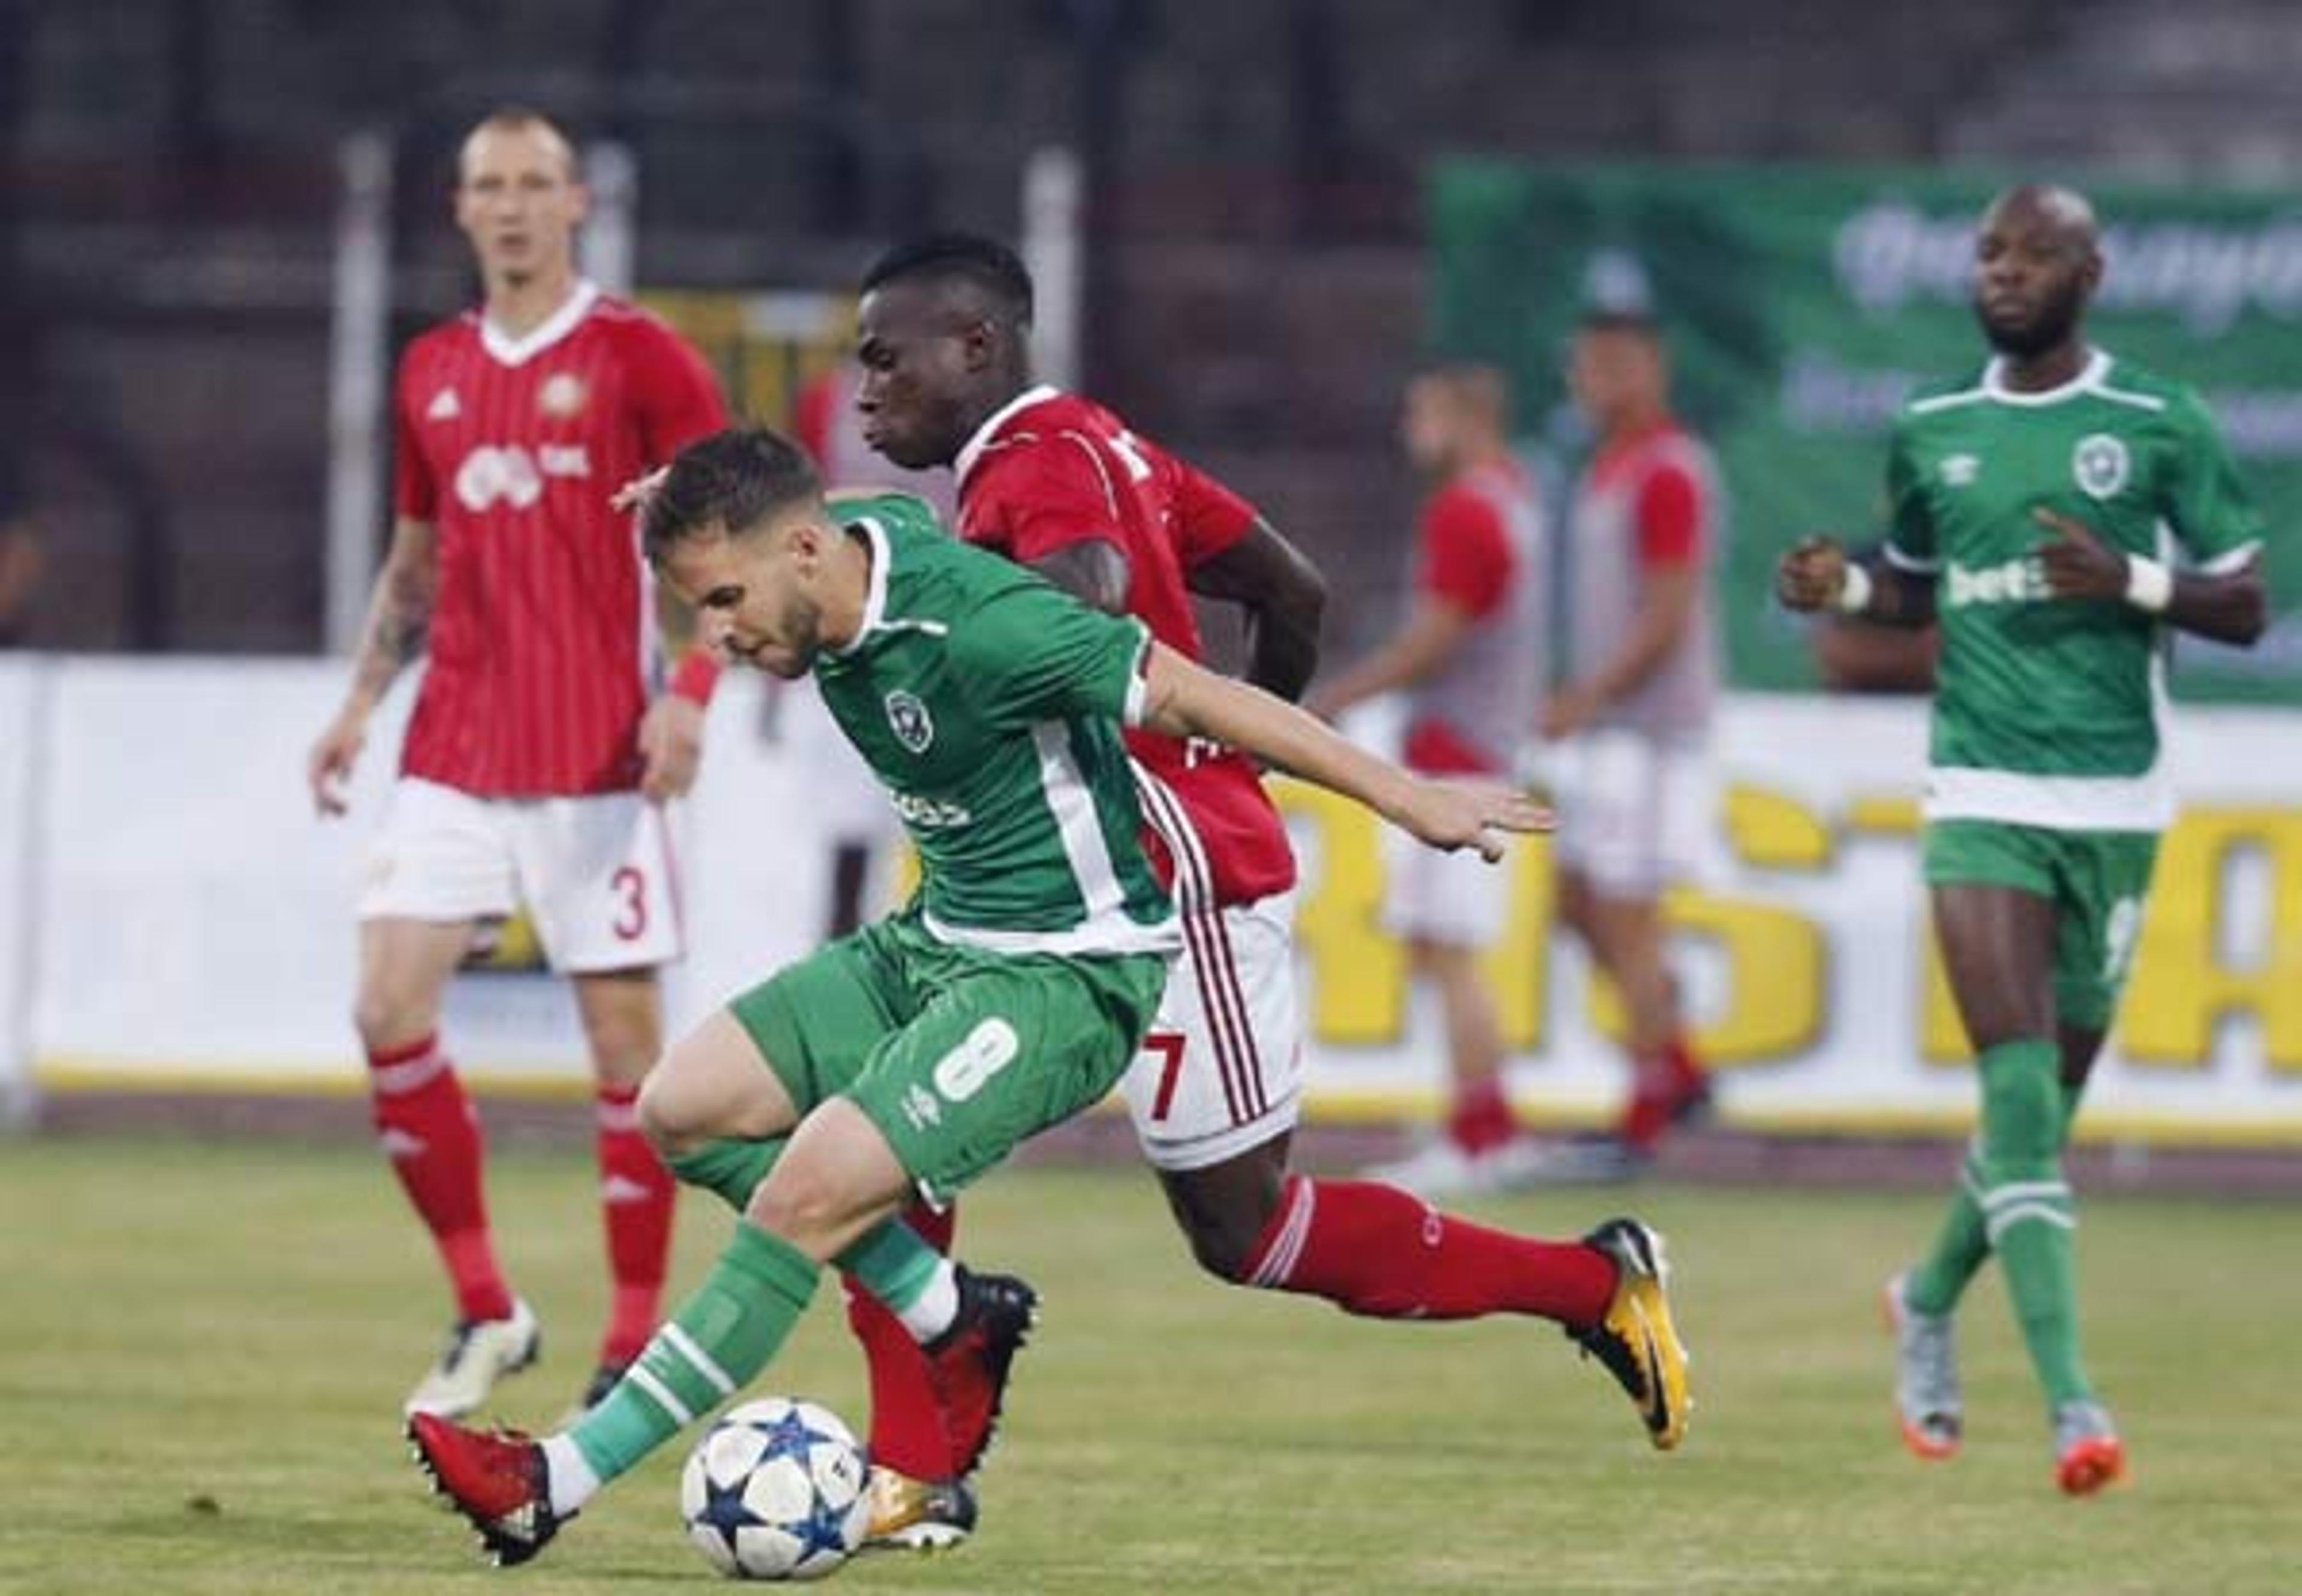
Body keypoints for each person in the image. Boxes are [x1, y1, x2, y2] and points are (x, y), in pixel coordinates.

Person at [405, 426, 1595, 1565]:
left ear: (807, 552)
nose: (714, 636)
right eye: (697, 607)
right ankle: (949, 1313)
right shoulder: (825, 540)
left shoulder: (984, 627)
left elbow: (1196, 695)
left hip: (1065, 973)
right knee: (684, 1107)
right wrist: (684, 486)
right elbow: (776, 499)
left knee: (804, 1198)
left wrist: (1407, 796)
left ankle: (549, 1481)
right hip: (937, 938)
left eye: (724, 601)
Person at [845, 234, 1691, 1547]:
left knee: (1247, 1228)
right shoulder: (1110, 446)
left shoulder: (1041, 461)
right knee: (898, 1120)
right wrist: (1244, 734)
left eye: (885, 359)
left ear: (978, 348)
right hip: (1077, 867)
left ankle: (1592, 1284)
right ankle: (916, 1468)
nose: (864, 392)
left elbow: (1089, 590)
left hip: (1170, 885)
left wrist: (1158, 748)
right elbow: (1289, 588)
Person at [1776, 183, 2267, 1495]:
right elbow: (1914, 588)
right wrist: (1846, 588)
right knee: (2018, 1100)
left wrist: (2133, 583)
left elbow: (2249, 602)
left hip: (2116, 798)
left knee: (2039, 1117)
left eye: (2033, 250)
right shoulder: (1935, 426)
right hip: (1981, 791)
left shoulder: (2158, 419)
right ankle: (2073, 1403)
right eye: (1990, 249)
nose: (2004, 269)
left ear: (2089, 273)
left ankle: (1926, 1290)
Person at [305, 107, 729, 1420]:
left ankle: (635, 1333)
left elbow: (733, 536)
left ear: (575, 204)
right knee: (387, 1008)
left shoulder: (641, 356)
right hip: (456, 747)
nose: (510, 206)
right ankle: (489, 1305)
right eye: (488, 185)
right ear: (458, 208)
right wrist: (362, 703)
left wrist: (694, 695)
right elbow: (418, 555)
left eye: (534, 184)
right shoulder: (429, 365)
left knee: (631, 1062)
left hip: (599, 754)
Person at [1307, 365, 1548, 1197]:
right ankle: (1476, 1118)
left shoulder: (1465, 510)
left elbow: (1433, 639)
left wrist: (1335, 697)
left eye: (1422, 411)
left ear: (1461, 415)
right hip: (1486, 735)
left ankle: (1484, 1133)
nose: (1411, 428)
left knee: (1450, 953)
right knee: (1440, 948)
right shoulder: (1512, 495)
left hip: (1456, 748)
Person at [1533, 305, 1722, 1180]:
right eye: (1585, 366)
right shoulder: (1606, 468)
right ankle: (1676, 1064)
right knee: (1578, 902)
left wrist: (1591, 691)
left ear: (1653, 369)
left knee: (1626, 914)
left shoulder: (1667, 471)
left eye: (1613, 365)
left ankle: (1644, 1115)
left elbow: (1669, 610)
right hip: (1615, 730)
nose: (1595, 383)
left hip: (1652, 730)